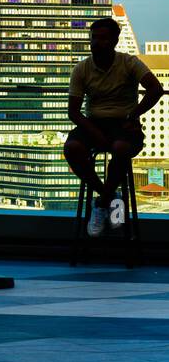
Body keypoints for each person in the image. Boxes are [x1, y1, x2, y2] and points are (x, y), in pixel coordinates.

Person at [65, 17, 164, 237]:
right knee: (72, 149)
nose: (96, 43)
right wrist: (94, 132)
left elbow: (155, 89)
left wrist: (134, 115)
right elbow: (73, 112)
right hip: (92, 123)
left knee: (121, 149)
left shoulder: (129, 63)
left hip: (123, 123)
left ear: (115, 41)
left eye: (102, 38)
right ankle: (108, 197)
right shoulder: (82, 68)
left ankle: (101, 202)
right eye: (94, 38)